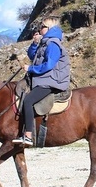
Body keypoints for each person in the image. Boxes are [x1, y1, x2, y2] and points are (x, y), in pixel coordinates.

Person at [13, 17, 71, 146]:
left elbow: (49, 65)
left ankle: (28, 135)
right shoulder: (45, 43)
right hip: (44, 79)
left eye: (42, 27)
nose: (39, 29)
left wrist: (31, 68)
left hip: (52, 80)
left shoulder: (53, 44)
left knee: (28, 100)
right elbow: (34, 57)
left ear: (49, 29)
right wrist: (34, 44)